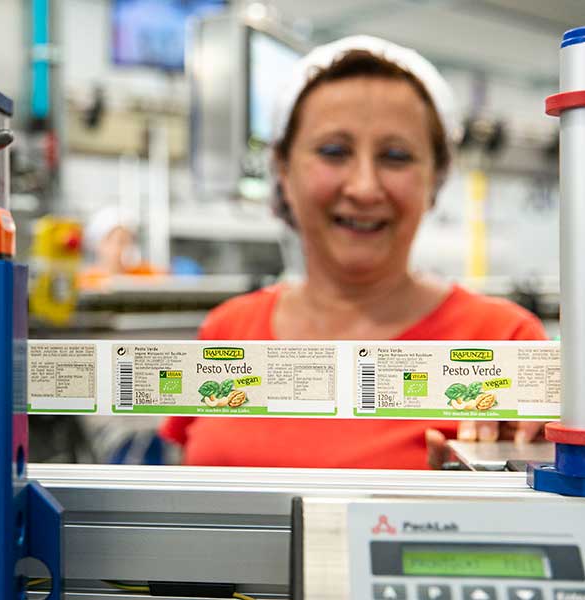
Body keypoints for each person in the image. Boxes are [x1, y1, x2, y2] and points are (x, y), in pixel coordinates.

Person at [160, 36, 546, 470]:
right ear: (282, 168)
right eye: (333, 152)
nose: (364, 187)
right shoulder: (227, 331)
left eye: (396, 156)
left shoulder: (504, 341)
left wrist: (521, 467)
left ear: (435, 179)